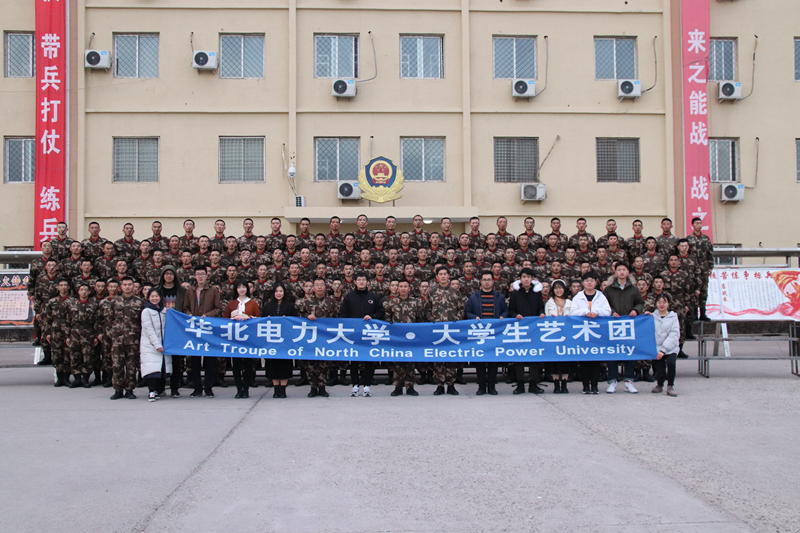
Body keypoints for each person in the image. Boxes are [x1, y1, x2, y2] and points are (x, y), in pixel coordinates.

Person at [603, 261, 644, 394]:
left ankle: (628, 381)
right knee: (612, 353)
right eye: (619, 269)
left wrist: (636, 310)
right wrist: (611, 311)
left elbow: (640, 302)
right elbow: (604, 304)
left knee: (629, 353)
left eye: (624, 269)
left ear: (627, 272)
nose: (621, 272)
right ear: (615, 272)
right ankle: (612, 381)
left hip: (628, 325)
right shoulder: (609, 289)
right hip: (613, 325)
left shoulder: (633, 289)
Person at [340, 272, 384, 397]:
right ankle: (355, 385)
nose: (361, 282)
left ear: (367, 282)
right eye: (358, 280)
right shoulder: (349, 297)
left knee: (368, 360)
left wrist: (372, 317)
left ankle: (367, 386)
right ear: (355, 282)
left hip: (369, 334)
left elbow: (381, 312)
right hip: (354, 334)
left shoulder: (373, 297)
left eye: (363, 280)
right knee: (353, 360)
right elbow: (344, 315)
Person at [465, 271, 509, 395]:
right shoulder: (474, 297)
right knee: (480, 361)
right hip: (480, 334)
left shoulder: (499, 297)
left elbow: (506, 311)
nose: (487, 282)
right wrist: (474, 317)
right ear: (481, 282)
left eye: (489, 279)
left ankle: (491, 386)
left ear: (493, 281)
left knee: (493, 361)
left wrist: (502, 316)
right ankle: (481, 387)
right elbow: (467, 312)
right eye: (484, 279)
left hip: (495, 333)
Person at [182, 266, 223, 398]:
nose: (200, 276)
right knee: (194, 360)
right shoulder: (190, 291)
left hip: (208, 329)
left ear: (207, 276)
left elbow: (218, 309)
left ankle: (209, 387)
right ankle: (197, 388)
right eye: (198, 274)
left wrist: (207, 315)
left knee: (209, 360)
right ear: (194, 276)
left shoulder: (213, 291)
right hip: (194, 329)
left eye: (203, 274)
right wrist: (190, 315)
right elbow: (185, 308)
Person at [570, 272, 612, 394]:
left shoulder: (601, 296)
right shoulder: (577, 297)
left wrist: (597, 312)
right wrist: (584, 312)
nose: (589, 282)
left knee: (595, 360)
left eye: (592, 280)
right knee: (584, 361)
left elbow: (607, 311)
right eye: (586, 280)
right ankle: (585, 386)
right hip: (582, 333)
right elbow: (573, 312)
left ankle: (594, 385)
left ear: (596, 282)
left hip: (596, 333)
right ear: (583, 283)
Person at [426, 266, 464, 395]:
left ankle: (451, 384)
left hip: (452, 330)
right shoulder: (432, 292)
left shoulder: (455, 292)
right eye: (440, 274)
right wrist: (432, 319)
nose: (443, 276)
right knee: (439, 357)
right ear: (437, 277)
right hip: (438, 330)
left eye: (445, 274)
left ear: (448, 276)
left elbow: (461, 309)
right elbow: (426, 309)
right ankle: (440, 384)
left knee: (451, 357)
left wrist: (457, 319)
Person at [384, 279, 424, 396]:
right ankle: (398, 386)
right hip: (397, 338)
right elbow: (387, 319)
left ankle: (410, 386)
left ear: (409, 289)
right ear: (397, 288)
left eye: (405, 286)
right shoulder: (392, 303)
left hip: (412, 338)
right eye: (400, 286)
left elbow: (421, 318)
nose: (402, 288)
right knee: (398, 363)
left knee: (410, 362)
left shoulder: (416, 302)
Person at [224, 279, 261, 399]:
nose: (241, 289)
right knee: (236, 365)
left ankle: (246, 388)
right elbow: (224, 320)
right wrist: (232, 318)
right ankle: (238, 388)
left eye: (244, 287)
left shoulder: (253, 303)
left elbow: (259, 319)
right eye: (239, 287)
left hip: (248, 338)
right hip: (235, 339)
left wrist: (249, 317)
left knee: (248, 364)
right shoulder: (231, 304)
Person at [109, 277, 145, 400]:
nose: (128, 287)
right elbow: (109, 320)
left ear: (134, 287)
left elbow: (142, 322)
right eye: (125, 285)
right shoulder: (114, 302)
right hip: (118, 339)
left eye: (130, 285)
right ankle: (118, 389)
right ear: (121, 287)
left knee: (131, 365)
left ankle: (129, 389)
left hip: (133, 339)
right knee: (117, 365)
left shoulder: (140, 302)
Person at [262, 282, 298, 398]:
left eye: (281, 291)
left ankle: (283, 389)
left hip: (285, 341)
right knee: (273, 363)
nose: (278, 293)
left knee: (284, 364)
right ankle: (275, 389)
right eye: (276, 291)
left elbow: (295, 321)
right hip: (271, 340)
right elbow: (261, 321)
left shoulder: (290, 305)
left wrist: (287, 320)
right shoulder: (267, 306)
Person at [140, 288, 171, 402]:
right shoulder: (146, 312)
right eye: (152, 296)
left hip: (164, 344)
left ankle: (159, 390)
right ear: (148, 298)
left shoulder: (164, 311)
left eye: (156, 296)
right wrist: (157, 344)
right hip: (150, 345)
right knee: (152, 369)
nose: (154, 298)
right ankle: (151, 391)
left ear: (160, 297)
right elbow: (149, 329)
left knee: (162, 369)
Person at [545, 279, 573, 393]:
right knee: (554, 360)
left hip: (567, 336)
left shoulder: (570, 302)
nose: (558, 290)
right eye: (556, 288)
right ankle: (556, 384)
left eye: (560, 288)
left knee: (565, 359)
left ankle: (565, 384)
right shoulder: (549, 303)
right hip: (553, 335)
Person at [650, 293, 680, 397]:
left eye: (664, 302)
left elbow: (674, 334)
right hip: (656, 347)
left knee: (671, 364)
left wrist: (663, 350)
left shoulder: (673, 317)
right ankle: (659, 384)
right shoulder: (652, 317)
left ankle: (670, 386)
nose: (661, 304)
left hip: (670, 347)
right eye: (659, 302)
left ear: (668, 304)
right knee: (659, 368)